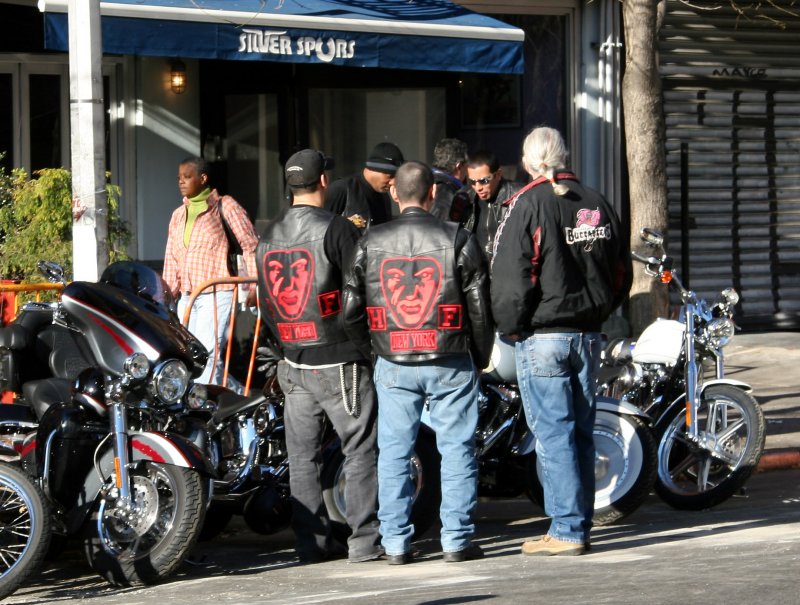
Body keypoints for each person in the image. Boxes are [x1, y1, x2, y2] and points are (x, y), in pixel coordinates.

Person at [490, 127, 632, 556]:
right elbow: (620, 271)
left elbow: (510, 279)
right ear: (564, 156)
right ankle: (578, 524)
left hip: (545, 336)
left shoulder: (526, 204)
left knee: (555, 435)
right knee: (580, 432)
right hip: (587, 335)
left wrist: (510, 326)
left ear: (529, 162)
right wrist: (600, 311)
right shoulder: (596, 201)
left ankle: (568, 529)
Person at [343, 161, 494, 565]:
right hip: (449, 355)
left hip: (394, 358)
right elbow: (480, 309)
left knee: (393, 451)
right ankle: (456, 540)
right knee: (457, 448)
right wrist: (478, 357)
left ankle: (395, 543)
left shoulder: (370, 241)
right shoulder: (459, 238)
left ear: (394, 193)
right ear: (432, 194)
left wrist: (374, 349)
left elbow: (350, 309)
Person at [256, 149, 382, 564]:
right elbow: (356, 297)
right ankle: (364, 541)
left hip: (294, 359)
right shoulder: (337, 229)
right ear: (324, 181)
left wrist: (286, 348)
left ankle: (311, 543)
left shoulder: (268, 234)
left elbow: (267, 305)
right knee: (360, 447)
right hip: (339, 358)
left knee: (301, 457)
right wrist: (367, 350)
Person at [163, 156, 258, 387]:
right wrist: (166, 294)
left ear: (203, 178)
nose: (181, 182)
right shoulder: (178, 215)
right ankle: (235, 399)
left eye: (187, 177)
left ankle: (204, 415)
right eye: (179, 178)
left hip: (216, 294)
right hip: (186, 296)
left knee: (208, 358)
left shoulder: (225, 206)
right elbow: (171, 256)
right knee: (188, 360)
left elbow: (250, 244)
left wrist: (255, 285)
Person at [449, 149, 522, 265]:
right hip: (477, 274)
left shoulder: (518, 196)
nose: (478, 187)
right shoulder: (463, 198)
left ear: (498, 175)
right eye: (472, 182)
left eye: (484, 181)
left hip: (507, 271)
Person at [325, 141, 404, 231]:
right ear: (374, 169)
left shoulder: (384, 197)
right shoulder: (342, 189)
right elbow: (322, 232)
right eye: (390, 176)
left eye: (396, 177)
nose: (393, 182)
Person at [429, 138, 469, 221]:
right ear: (459, 166)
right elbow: (442, 228)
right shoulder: (446, 192)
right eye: (466, 164)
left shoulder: (423, 180)